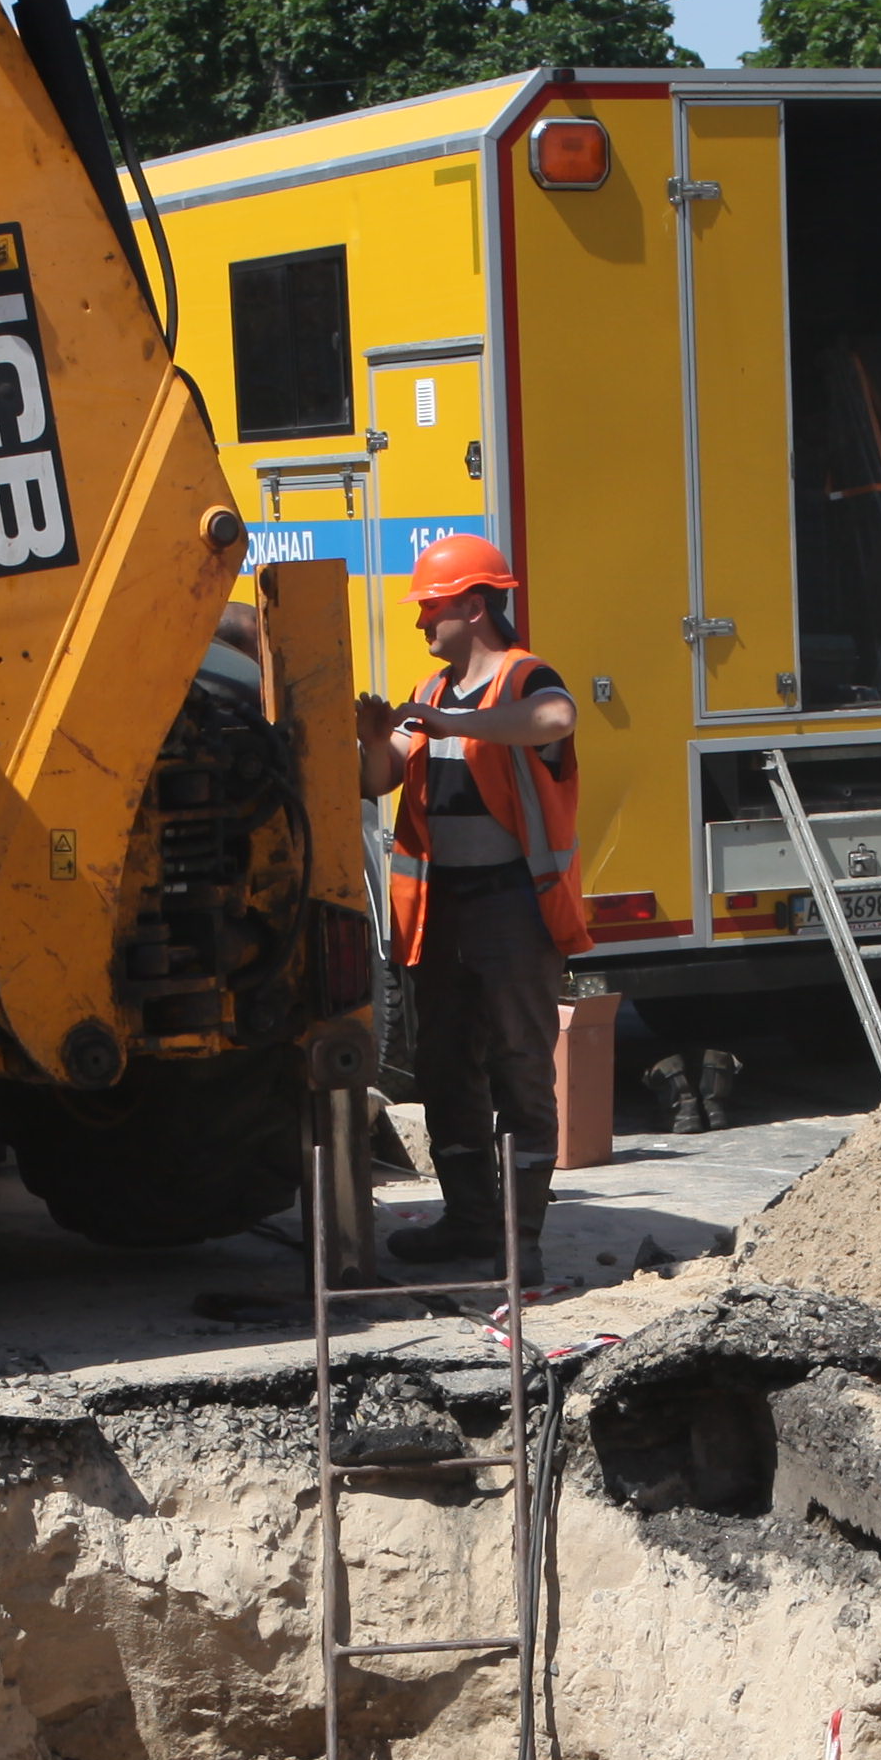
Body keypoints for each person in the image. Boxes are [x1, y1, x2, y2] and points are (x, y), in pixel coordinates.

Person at [353, 536, 578, 1274]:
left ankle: (521, 1241)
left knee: (519, 1068)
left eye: (432, 609)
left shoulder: (523, 680)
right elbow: (377, 782)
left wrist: (458, 725)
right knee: (445, 1067)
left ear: (474, 607)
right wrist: (374, 740)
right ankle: (470, 1225)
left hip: (513, 906)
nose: (422, 624)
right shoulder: (431, 691)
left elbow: (556, 719)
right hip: (443, 912)